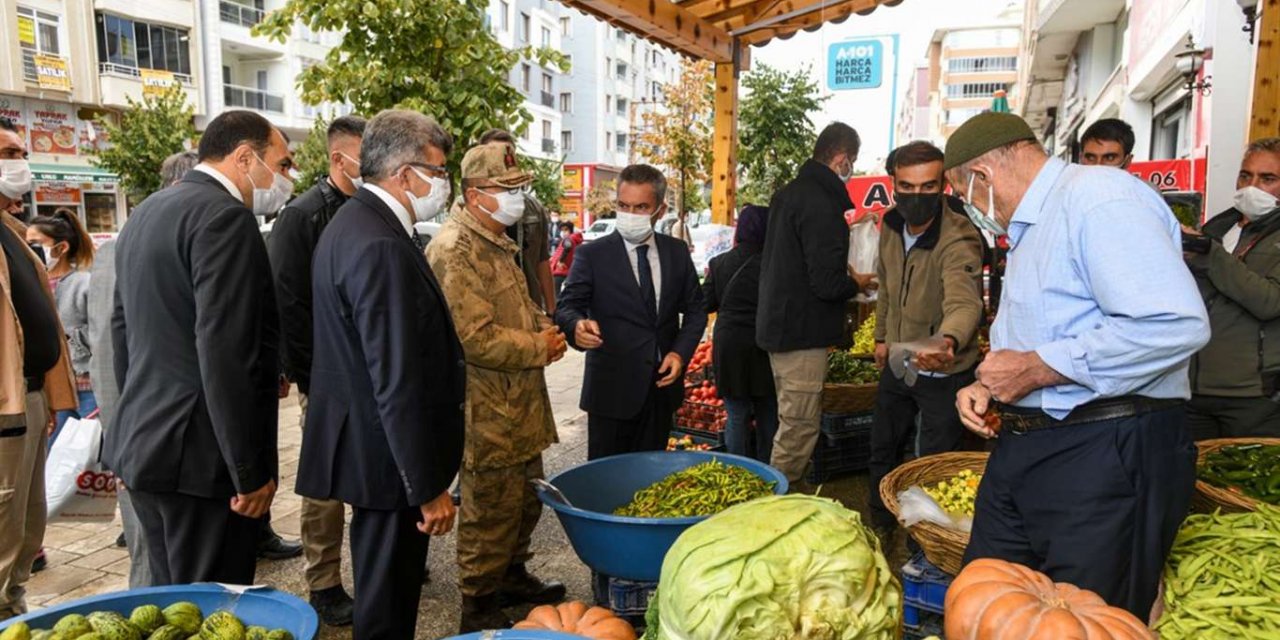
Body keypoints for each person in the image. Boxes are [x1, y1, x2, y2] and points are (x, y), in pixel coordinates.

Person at [946, 112, 1208, 618]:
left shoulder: (1098, 198)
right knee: (988, 601)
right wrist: (988, 383)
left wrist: (1039, 368)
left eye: (966, 196)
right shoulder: (1030, 228)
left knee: (1084, 615)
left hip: (1104, 450)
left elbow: (1174, 323)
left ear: (983, 176)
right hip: (1030, 448)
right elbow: (1044, 332)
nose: (973, 210)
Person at [298, 109, 463, 639]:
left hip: (372, 449)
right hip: (389, 461)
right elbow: (395, 377)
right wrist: (426, 486)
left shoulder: (355, 223)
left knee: (382, 591)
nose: (443, 185)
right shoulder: (378, 243)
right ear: (404, 172)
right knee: (388, 604)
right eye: (438, 173)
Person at [106, 110, 289, 586]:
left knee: (172, 603)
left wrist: (128, 432)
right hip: (202, 459)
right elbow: (227, 351)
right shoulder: (225, 217)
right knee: (212, 604)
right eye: (282, 164)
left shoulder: (148, 210)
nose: (286, 178)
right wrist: (247, 469)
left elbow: (122, 332)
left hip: (147, 445)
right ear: (245, 157)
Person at [427, 141, 568, 633]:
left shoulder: (497, 241)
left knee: (525, 501)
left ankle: (511, 575)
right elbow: (473, 338)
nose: (517, 198)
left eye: (519, 187)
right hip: (486, 410)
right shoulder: (455, 249)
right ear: (474, 194)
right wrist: (538, 347)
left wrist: (546, 327)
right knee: (490, 509)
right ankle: (478, 599)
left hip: (519, 405)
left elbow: (520, 306)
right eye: (506, 189)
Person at [267, 115, 366, 626]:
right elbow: (290, 305)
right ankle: (323, 580)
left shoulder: (375, 208)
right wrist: (313, 378)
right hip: (325, 378)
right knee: (325, 484)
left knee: (373, 470)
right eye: (363, 158)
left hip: (372, 373)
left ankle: (377, 562)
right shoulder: (302, 216)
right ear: (338, 158)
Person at [89, 150, 197, 588]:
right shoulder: (128, 245)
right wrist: (124, 437)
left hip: (162, 432)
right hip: (145, 433)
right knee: (151, 554)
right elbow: (109, 351)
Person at [868, 141, 984, 536]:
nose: (916, 196)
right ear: (894, 184)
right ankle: (880, 525)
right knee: (883, 448)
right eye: (907, 186)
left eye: (928, 187)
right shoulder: (890, 225)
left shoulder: (959, 237)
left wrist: (948, 340)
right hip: (899, 362)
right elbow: (886, 286)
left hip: (943, 372)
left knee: (932, 465)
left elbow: (964, 299)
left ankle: (927, 545)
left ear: (944, 186)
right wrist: (882, 337)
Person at [555, 164, 708, 459]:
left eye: (641, 207)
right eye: (623, 206)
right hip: (610, 393)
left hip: (661, 391)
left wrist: (679, 352)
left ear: (660, 210)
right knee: (605, 485)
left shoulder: (676, 252)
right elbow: (567, 306)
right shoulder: (592, 254)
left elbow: (695, 310)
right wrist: (576, 326)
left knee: (650, 484)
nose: (630, 214)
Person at [757, 122, 874, 486]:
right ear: (841, 159)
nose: (850, 169)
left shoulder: (789, 194)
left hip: (781, 328)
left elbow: (798, 264)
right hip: (802, 335)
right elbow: (825, 283)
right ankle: (776, 509)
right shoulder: (822, 203)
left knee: (790, 420)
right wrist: (855, 281)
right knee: (799, 428)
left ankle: (784, 493)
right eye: (851, 161)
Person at [0, 115, 76, 620]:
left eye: (21, 152)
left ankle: (12, 608)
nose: (20, 163)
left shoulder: (10, 230)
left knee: (26, 525)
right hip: (4, 406)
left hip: (30, 396)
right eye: (9, 153)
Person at [1184, 138, 1280, 438]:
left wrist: (1209, 253)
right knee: (1190, 480)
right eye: (1245, 175)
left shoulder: (1211, 243)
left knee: (1240, 484)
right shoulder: (1217, 227)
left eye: (1268, 179)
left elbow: (1269, 301)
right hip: (1193, 389)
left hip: (1253, 397)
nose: (1252, 187)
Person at [702, 205, 776, 461]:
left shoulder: (719, 262)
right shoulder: (774, 265)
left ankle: (738, 467)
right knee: (768, 409)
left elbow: (706, 303)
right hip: (764, 342)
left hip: (729, 343)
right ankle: (769, 466)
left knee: (736, 414)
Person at [25, 209, 95, 446]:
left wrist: (66, 338)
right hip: (50, 390)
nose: (30, 249)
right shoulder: (30, 284)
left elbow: (101, 333)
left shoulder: (84, 283)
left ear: (61, 248)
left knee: (86, 461)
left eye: (36, 243)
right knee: (52, 461)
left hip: (87, 389)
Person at [477, 129, 557, 314]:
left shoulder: (533, 208)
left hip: (530, 309)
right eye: (493, 153)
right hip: (490, 312)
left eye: (506, 153)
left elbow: (542, 260)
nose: (501, 159)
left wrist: (552, 310)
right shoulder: (470, 205)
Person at [550, 221, 580, 296]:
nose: (563, 232)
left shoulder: (569, 239)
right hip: (567, 269)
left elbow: (567, 246)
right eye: (562, 230)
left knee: (555, 292)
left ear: (571, 230)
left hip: (561, 270)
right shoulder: (573, 239)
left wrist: (561, 261)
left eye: (566, 230)